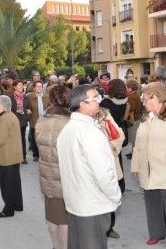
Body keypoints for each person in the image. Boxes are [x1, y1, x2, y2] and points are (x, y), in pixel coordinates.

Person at [57, 85, 121, 249]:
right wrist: (115, 196)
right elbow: (103, 174)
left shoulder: (68, 129)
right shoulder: (89, 132)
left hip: (75, 203)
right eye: (95, 99)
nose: (99, 101)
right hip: (92, 206)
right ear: (82, 104)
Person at [131, 82, 166, 249]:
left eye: (145, 97)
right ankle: (156, 233)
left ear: (155, 98)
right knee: (152, 204)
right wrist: (135, 165)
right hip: (146, 170)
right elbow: (139, 144)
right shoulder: (146, 117)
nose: (142, 101)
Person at [35, 85, 71, 249]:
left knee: (51, 217)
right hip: (66, 178)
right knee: (65, 221)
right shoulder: (70, 124)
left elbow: (39, 148)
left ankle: (56, 246)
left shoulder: (40, 122)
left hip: (47, 175)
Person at [97, 107, 125, 239]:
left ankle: (109, 227)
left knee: (110, 197)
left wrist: (109, 145)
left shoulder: (105, 115)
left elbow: (120, 134)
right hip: (91, 166)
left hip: (109, 164)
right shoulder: (79, 119)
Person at [9, 80, 31, 164]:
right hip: (13, 120)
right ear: (14, 87)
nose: (21, 87)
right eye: (19, 85)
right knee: (13, 139)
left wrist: (27, 114)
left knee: (22, 138)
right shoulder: (10, 97)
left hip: (23, 120)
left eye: (22, 85)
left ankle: (23, 157)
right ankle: (14, 157)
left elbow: (28, 108)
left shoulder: (25, 97)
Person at [27, 80, 50, 162]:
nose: (40, 88)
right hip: (34, 120)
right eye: (37, 86)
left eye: (41, 86)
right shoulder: (29, 96)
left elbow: (50, 106)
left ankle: (43, 155)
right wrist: (27, 110)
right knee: (34, 139)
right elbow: (27, 106)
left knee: (43, 139)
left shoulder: (46, 96)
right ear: (34, 88)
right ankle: (35, 155)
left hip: (44, 121)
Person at [125, 79, 142, 160]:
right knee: (134, 138)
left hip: (134, 119)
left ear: (130, 88)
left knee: (134, 139)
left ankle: (135, 154)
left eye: (126, 87)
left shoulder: (131, 97)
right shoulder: (135, 94)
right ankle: (133, 153)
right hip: (137, 118)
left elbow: (131, 109)